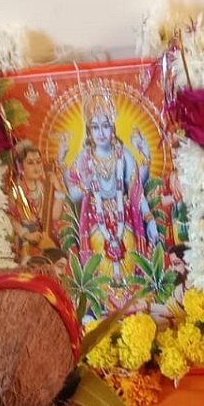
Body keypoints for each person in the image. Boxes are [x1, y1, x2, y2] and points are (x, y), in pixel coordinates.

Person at [56, 85, 160, 284]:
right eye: (95, 127)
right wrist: (77, 176)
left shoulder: (124, 155)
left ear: (112, 128)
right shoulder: (84, 158)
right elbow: (75, 195)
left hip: (125, 220)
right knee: (100, 274)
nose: (101, 132)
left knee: (130, 266)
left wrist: (149, 219)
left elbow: (136, 190)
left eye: (105, 125)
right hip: (95, 222)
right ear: (89, 131)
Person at [8, 141, 63, 262]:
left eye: (38, 162)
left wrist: (58, 189)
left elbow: (55, 215)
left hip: (44, 239)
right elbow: (12, 219)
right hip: (26, 242)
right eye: (30, 163)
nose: (36, 167)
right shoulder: (16, 190)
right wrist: (26, 235)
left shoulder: (44, 187)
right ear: (21, 166)